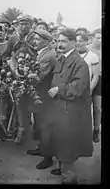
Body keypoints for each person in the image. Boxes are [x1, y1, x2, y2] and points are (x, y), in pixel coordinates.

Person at [34, 28, 93, 181]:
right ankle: (61, 169)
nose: (60, 44)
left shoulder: (80, 63)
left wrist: (58, 90)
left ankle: (69, 179)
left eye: (64, 41)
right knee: (57, 141)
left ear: (73, 43)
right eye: (59, 41)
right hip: (57, 110)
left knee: (67, 147)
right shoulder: (61, 59)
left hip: (69, 112)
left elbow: (78, 88)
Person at [26, 29, 57, 154]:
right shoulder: (44, 53)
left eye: (38, 39)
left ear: (46, 41)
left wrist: (22, 78)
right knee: (40, 122)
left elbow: (39, 77)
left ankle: (45, 151)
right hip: (42, 92)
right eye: (35, 38)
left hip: (43, 93)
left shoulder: (48, 55)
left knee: (43, 123)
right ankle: (43, 148)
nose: (35, 41)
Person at [87, 29, 102, 142]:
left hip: (99, 80)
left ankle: (96, 129)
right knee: (86, 106)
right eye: (98, 38)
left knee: (97, 107)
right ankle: (84, 130)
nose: (100, 40)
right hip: (87, 79)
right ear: (93, 37)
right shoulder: (87, 49)